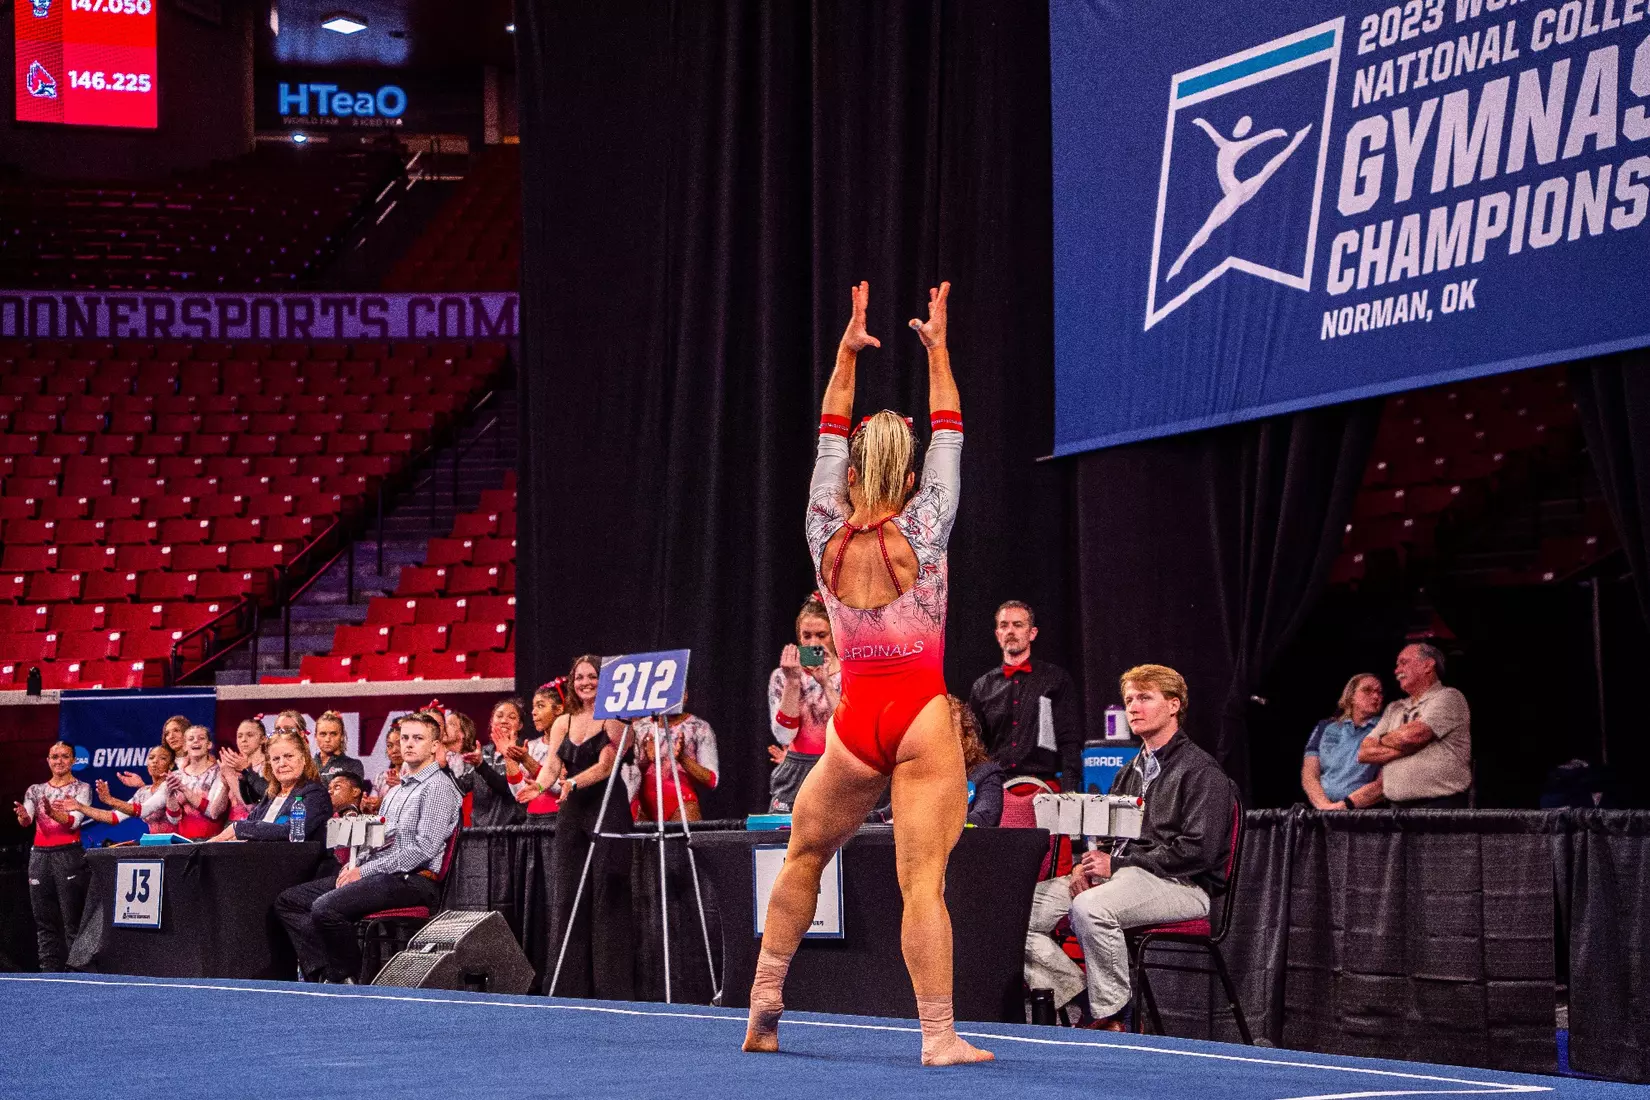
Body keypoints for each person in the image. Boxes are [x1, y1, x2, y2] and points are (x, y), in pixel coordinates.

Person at [744, 280, 989, 1066]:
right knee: (922, 882)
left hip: (853, 731)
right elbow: (948, 426)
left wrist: (846, 354)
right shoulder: (929, 520)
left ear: (849, 477)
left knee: (802, 857)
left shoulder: (822, 531)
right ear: (912, 478)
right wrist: (938, 350)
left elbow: (827, 433)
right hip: (919, 718)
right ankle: (938, 1034)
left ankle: (763, 1006)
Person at [1024, 665, 1234, 1031]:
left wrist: (1117, 866)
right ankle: (1085, 1001)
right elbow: (1107, 839)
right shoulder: (1129, 771)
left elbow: (1198, 851)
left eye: (1145, 698)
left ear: (1173, 705)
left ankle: (1113, 1015)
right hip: (1126, 876)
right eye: (1130, 700)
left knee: (1091, 906)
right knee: (1017, 915)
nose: (1133, 707)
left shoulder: (1202, 771)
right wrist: (1083, 867)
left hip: (1184, 885)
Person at [274, 711, 460, 983]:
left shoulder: (438, 788)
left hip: (415, 881)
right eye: (405, 737)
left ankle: (346, 978)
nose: (408, 744)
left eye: (418, 738)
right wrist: (355, 864)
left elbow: (423, 849)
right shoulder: (395, 791)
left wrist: (364, 871)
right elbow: (377, 840)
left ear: (434, 746)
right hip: (382, 875)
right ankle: (325, 972)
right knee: (289, 902)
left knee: (326, 908)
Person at [534, 654, 635, 998]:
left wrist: (572, 783)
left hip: (608, 805)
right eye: (580, 677)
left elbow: (607, 766)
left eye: (593, 677)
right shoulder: (562, 722)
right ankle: (567, 986)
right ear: (571, 682)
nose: (586, 683)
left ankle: (612, 988)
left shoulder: (615, 719)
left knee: (608, 896)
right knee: (568, 897)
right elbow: (551, 766)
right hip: (572, 811)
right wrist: (537, 786)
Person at [967, 601, 1082, 790]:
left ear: (1032, 633)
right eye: (1004, 625)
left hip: (1043, 787)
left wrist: (1069, 791)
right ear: (998, 634)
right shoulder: (982, 687)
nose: (1010, 631)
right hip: (996, 788)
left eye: (1018, 625)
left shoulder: (1055, 679)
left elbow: (1069, 739)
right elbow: (975, 746)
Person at [1358, 642, 1473, 808]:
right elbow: (1364, 752)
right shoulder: (1394, 708)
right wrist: (1407, 746)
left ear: (1428, 665)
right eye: (1397, 665)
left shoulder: (1449, 697)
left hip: (1439, 809)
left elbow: (1413, 736)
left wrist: (1383, 740)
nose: (1396, 670)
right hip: (1396, 810)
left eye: (1403, 663)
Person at [13, 742, 92, 971]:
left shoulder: (81, 789)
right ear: (48, 760)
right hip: (39, 857)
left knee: (72, 920)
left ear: (74, 761)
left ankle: (77, 971)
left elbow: (74, 821)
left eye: (65, 756)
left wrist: (52, 813)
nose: (59, 761)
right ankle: (48, 971)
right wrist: (23, 817)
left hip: (68, 855)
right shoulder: (35, 790)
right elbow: (26, 819)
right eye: (54, 757)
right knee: (44, 920)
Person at [766, 594, 841, 812]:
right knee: (783, 842)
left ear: (835, 635)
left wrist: (826, 683)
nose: (813, 644)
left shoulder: (851, 675)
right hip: (796, 769)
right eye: (806, 636)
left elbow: (850, 731)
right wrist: (792, 682)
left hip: (838, 767)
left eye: (821, 635)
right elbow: (783, 736)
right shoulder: (782, 676)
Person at [210, 731, 333, 842]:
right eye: (276, 759)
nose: (282, 763)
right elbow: (250, 824)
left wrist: (239, 828)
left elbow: (291, 831)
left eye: (289, 756)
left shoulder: (315, 794)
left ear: (304, 759)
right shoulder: (270, 796)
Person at [1302, 674, 1384, 810]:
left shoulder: (1387, 729)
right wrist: (1324, 806)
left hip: (1364, 815)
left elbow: (1383, 783)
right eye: (1367, 690)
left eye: (1379, 692)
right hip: (1322, 811)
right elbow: (1309, 774)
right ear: (1351, 696)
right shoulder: (1325, 726)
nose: (1376, 696)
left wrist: (1343, 806)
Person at [631, 701, 720, 824]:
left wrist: (683, 759)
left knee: (682, 843)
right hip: (642, 807)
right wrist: (646, 760)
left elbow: (712, 780)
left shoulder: (699, 727)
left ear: (686, 695)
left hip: (681, 804)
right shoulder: (639, 727)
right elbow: (627, 774)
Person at [81, 745, 181, 835]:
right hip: (154, 844)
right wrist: (79, 807)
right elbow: (114, 817)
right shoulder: (143, 792)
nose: (155, 761)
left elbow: (143, 810)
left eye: (162, 758)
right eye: (151, 758)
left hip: (179, 845)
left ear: (171, 765)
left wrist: (110, 800)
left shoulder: (170, 786)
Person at [507, 683, 565, 817]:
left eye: (540, 706)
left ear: (559, 709)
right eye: (533, 707)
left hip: (559, 820)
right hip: (533, 823)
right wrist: (509, 758)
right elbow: (520, 793)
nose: (533, 712)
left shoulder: (570, 745)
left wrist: (527, 761)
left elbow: (561, 788)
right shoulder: (532, 746)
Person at [953, 696, 1004, 828]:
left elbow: (984, 819)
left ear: (966, 735)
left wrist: (933, 821)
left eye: (951, 727)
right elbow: (893, 814)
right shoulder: (917, 773)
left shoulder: (986, 774)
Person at [170, 724, 226, 840]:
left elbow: (213, 812)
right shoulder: (176, 776)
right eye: (191, 739)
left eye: (201, 738)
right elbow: (174, 819)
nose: (196, 741)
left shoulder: (219, 772)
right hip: (183, 845)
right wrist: (170, 795)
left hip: (213, 844)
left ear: (209, 744)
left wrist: (185, 790)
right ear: (185, 746)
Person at [221, 719, 270, 805]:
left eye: (250, 735)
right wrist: (225, 786)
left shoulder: (270, 766)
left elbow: (252, 807)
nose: (243, 739)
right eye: (239, 736)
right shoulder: (231, 766)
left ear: (263, 739)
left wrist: (230, 777)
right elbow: (214, 813)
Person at [363, 719, 403, 814]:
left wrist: (403, 787)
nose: (394, 750)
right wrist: (368, 804)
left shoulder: (417, 775)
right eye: (390, 746)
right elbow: (374, 804)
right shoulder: (381, 777)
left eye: (399, 744)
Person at [314, 711, 364, 784]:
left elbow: (349, 794)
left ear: (342, 737)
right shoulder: (306, 766)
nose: (327, 739)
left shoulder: (353, 765)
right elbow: (298, 794)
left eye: (333, 734)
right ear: (315, 736)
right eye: (323, 734)